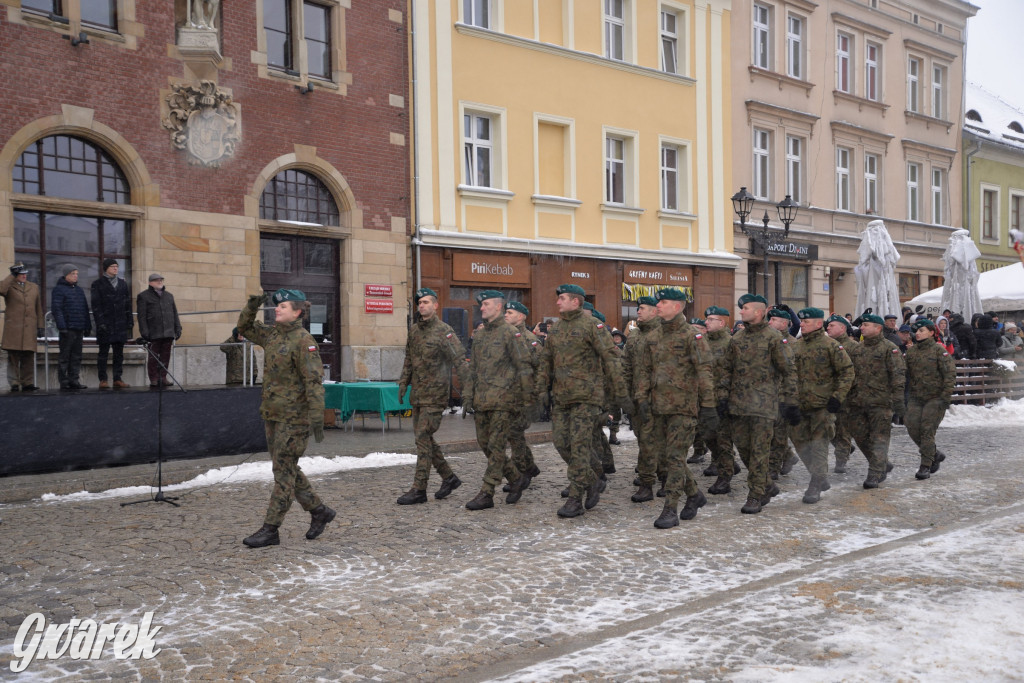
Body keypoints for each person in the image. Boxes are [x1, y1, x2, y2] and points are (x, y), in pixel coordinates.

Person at [238, 289, 335, 548]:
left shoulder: (304, 341)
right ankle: (319, 511)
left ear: (297, 312)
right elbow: (244, 326)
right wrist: (253, 303)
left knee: (283, 472)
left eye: (283, 306)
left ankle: (271, 529)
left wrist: (316, 417)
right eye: (276, 306)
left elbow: (313, 381)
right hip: (274, 414)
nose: (277, 309)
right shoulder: (272, 335)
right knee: (286, 468)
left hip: (295, 418)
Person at [534, 284, 629, 518]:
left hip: (587, 398)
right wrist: (539, 391)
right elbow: (546, 361)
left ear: (575, 301)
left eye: (562, 298)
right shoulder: (556, 330)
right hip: (562, 397)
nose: (557, 303)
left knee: (579, 447)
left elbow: (611, 358)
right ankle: (593, 477)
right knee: (561, 442)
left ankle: (576, 499)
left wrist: (621, 395)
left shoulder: (591, 326)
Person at [634, 288, 717, 527]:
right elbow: (644, 371)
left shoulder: (692, 336)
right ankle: (694, 494)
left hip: (683, 407)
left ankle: (670, 508)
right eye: (658, 302)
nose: (658, 305)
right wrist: (641, 400)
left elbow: (704, 371)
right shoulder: (653, 336)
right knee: (669, 457)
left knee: (674, 457)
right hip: (657, 407)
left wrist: (709, 405)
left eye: (664, 302)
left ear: (678, 307)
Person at [716, 294, 798, 513]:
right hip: (738, 406)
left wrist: (789, 402)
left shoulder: (773, 338)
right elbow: (726, 370)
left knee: (760, 452)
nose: (741, 311)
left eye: (745, 308)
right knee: (744, 451)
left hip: (763, 407)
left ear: (759, 312)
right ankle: (768, 485)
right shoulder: (737, 339)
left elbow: (788, 370)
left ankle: (755, 495)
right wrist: (722, 397)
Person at [396, 288, 470, 505]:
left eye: (426, 302)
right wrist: (403, 383)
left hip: (435, 395)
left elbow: (459, 360)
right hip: (418, 394)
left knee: (422, 438)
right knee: (425, 439)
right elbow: (408, 359)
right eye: (419, 302)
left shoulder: (444, 331)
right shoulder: (415, 331)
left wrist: (467, 392)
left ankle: (419, 488)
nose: (422, 305)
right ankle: (449, 477)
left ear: (436, 305)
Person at [462, 290, 534, 511]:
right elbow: (472, 368)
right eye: (481, 305)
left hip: (504, 401)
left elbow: (524, 367)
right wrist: (467, 395)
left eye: (485, 304)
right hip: (482, 400)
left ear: (497, 307)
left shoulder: (511, 333)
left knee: (495, 447)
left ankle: (487, 492)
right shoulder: (481, 336)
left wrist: (527, 401)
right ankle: (515, 478)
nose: (481, 308)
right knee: (485, 445)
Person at [790, 307, 854, 504]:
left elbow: (847, 372)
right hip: (799, 405)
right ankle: (820, 476)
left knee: (819, 445)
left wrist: (837, 397)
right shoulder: (796, 346)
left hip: (822, 406)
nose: (802, 324)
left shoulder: (831, 346)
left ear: (819, 323)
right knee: (799, 442)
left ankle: (816, 483)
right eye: (801, 321)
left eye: (806, 321)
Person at [844, 314, 905, 488]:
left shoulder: (889, 348)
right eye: (861, 324)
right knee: (861, 437)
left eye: (866, 324)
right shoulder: (858, 349)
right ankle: (882, 464)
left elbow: (898, 375)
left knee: (879, 438)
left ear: (878, 328)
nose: (861, 327)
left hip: (881, 402)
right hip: (858, 402)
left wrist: (898, 400)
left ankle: (875, 472)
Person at [621, 296, 664, 502]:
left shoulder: (663, 334)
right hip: (638, 399)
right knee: (645, 441)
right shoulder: (635, 336)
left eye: (643, 308)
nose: (638, 311)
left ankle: (650, 482)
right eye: (638, 308)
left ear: (655, 311)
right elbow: (626, 367)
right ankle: (657, 476)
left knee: (653, 442)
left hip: (659, 399)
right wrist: (625, 396)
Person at [904, 319, 955, 480]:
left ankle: (926, 465)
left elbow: (949, 375)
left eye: (922, 330)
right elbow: (904, 373)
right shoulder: (911, 352)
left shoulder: (939, 351)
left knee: (927, 430)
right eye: (916, 331)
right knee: (912, 427)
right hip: (916, 397)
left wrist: (945, 398)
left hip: (935, 398)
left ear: (932, 333)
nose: (917, 333)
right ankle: (934, 453)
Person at [502, 300, 543, 491]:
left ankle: (519, 473)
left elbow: (539, 367)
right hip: (507, 394)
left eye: (510, 312)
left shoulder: (529, 339)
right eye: (505, 312)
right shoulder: (505, 336)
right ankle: (530, 466)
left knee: (515, 433)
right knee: (513, 434)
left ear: (521, 317)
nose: (506, 315)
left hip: (522, 396)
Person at [765, 306, 800, 480]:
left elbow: (795, 373)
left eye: (774, 320)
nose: (769, 322)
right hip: (767, 395)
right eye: (769, 319)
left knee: (778, 435)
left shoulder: (793, 344)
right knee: (769, 433)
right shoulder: (768, 340)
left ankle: (774, 467)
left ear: (784, 323)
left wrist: (791, 399)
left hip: (783, 396)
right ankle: (789, 456)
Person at [90, 258, 133, 389]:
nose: (116, 268)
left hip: (119, 324)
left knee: (118, 353)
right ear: (106, 268)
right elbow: (96, 305)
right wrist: (100, 322)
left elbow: (127, 304)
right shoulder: (98, 284)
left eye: (117, 266)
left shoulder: (122, 284)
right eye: (113, 266)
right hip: (106, 323)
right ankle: (103, 379)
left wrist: (129, 320)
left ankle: (117, 378)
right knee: (103, 353)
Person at [1, 262, 43, 392]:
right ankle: (14, 382)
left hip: (29, 328)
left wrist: (40, 326)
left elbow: (38, 308)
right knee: (13, 357)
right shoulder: (9, 286)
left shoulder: (34, 287)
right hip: (14, 328)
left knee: (28, 357)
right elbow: (1, 290)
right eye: (20, 274)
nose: (24, 276)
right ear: (15, 275)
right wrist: (11, 276)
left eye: (25, 274)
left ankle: (27, 382)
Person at [825, 314, 859, 474]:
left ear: (842, 328)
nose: (828, 328)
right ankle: (845, 449)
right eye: (828, 325)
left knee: (843, 429)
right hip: (828, 393)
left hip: (847, 394)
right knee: (828, 428)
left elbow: (857, 372)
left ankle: (841, 460)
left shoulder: (853, 347)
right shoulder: (827, 345)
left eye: (832, 325)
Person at [136, 274, 182, 387]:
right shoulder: (144, 296)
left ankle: (163, 377)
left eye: (161, 280)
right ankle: (154, 378)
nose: (160, 282)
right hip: (153, 332)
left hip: (168, 331)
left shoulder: (169, 296)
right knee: (153, 357)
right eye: (157, 280)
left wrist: (178, 328)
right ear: (150, 283)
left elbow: (174, 313)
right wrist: (144, 332)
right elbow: (141, 316)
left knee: (166, 356)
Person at [51, 264, 91, 392]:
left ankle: (74, 379)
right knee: (65, 356)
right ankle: (64, 381)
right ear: (66, 275)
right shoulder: (59, 290)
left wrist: (87, 326)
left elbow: (85, 309)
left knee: (76, 356)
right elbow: (57, 309)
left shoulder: (79, 290)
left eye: (77, 274)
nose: (75, 276)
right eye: (73, 274)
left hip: (78, 327)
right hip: (67, 328)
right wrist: (62, 326)